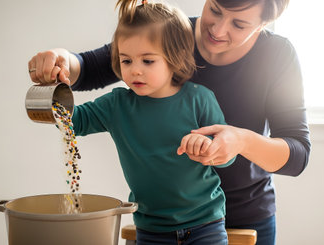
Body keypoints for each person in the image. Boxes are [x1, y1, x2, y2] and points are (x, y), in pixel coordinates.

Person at [28, 0, 311, 244]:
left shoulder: (276, 56)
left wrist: (240, 141)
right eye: (214, 9)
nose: (218, 29)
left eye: (239, 24)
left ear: (264, 23)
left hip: (243, 215)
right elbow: (88, 67)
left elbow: (297, 154)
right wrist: (61, 61)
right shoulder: (168, 33)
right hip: (156, 223)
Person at [40, 0, 236, 244]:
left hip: (206, 223)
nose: (135, 71)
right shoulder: (116, 106)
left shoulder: (200, 99)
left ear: (174, 58)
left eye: (147, 60)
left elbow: (228, 156)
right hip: (151, 229)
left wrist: (208, 147)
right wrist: (52, 93)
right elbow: (73, 122)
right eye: (126, 60)